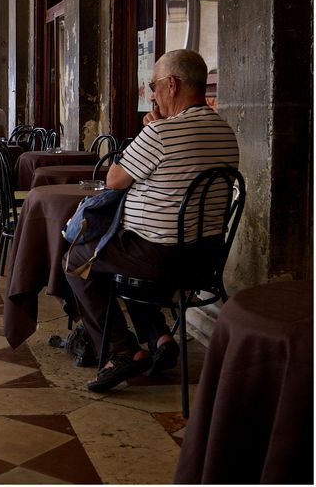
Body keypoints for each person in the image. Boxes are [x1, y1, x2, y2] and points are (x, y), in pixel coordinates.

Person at [65, 49, 239, 393]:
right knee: (116, 254)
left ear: (171, 85)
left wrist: (155, 129)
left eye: (154, 85)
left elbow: (115, 179)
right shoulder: (225, 131)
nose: (152, 94)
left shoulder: (161, 133)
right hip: (206, 256)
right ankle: (158, 338)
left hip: (161, 255)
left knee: (78, 259)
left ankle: (123, 351)